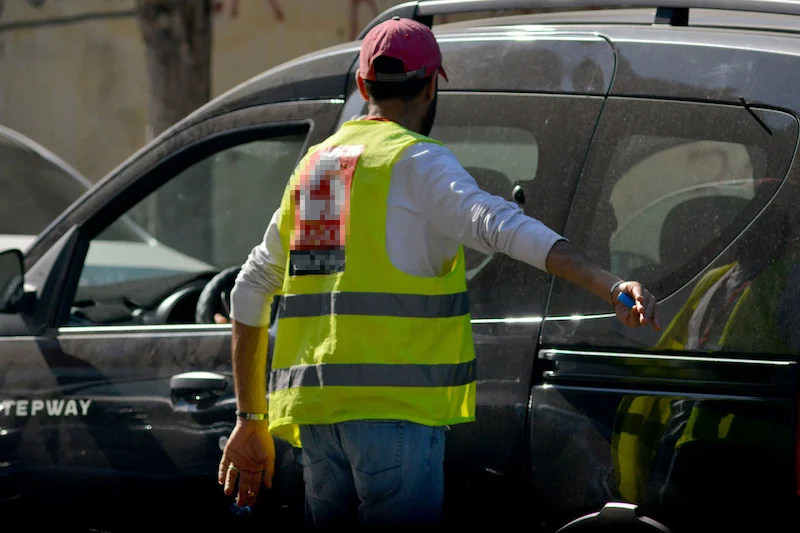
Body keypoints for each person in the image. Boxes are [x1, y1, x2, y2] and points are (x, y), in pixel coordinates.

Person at [217, 16, 660, 528]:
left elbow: (249, 290)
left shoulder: (319, 170)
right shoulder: (418, 162)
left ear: (363, 87)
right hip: (395, 418)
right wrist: (608, 283)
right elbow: (502, 227)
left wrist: (250, 419)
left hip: (316, 419)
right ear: (431, 87)